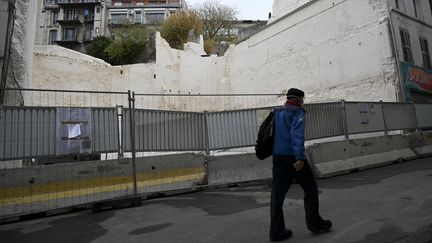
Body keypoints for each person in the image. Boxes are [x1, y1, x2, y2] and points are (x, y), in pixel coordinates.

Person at [269, 88, 332, 241]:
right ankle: (314, 223)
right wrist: (300, 159)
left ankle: (276, 232)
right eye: (302, 99)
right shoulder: (297, 112)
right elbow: (296, 135)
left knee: (277, 196)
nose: (303, 102)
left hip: (278, 157)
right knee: (310, 188)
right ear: (297, 99)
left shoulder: (277, 112)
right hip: (293, 157)